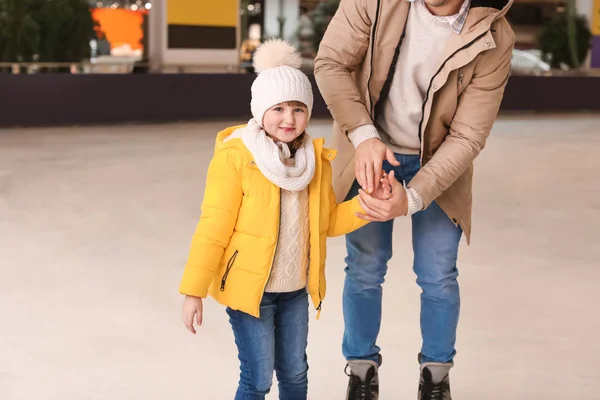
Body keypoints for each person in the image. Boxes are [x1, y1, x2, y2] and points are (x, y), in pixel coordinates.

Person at [314, 0, 515, 399]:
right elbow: (331, 63)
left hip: (439, 163)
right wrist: (363, 135)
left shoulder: (496, 35)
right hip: (369, 151)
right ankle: (361, 372)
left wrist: (414, 196)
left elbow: (468, 136)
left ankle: (436, 379)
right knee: (364, 267)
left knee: (438, 273)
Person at [178, 39, 390, 400]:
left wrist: (366, 204)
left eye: (298, 109)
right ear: (261, 111)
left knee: (295, 375)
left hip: (294, 291)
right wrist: (193, 290)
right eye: (278, 109)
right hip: (251, 293)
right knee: (257, 380)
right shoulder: (237, 159)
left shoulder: (315, 162)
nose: (289, 119)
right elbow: (213, 227)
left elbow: (326, 223)